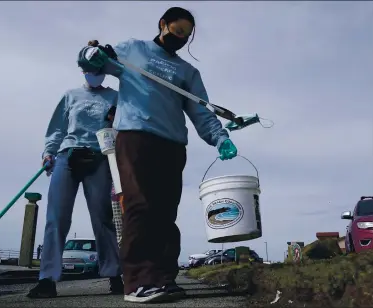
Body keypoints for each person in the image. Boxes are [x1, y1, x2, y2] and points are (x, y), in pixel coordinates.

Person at [78, 7, 238, 303]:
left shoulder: (188, 72)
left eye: (186, 36)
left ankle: (164, 278)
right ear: (163, 24)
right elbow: (96, 61)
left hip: (173, 145)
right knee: (140, 206)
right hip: (136, 138)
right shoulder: (133, 50)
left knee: (166, 214)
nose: (180, 38)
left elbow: (200, 110)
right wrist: (90, 57)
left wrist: (219, 138)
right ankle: (138, 282)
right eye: (177, 31)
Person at [26, 51, 123, 298]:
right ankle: (47, 279)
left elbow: (123, 126)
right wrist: (48, 153)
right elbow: (57, 128)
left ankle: (115, 275)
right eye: (90, 72)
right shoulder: (70, 96)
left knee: (102, 217)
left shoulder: (115, 96)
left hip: (99, 157)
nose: (94, 76)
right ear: (83, 71)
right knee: (56, 217)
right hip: (67, 156)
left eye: (98, 72)